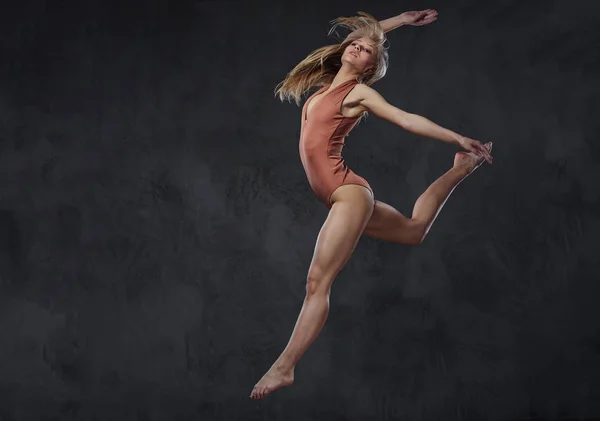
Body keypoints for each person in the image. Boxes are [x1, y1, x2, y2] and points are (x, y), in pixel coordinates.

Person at [249, 9, 493, 400]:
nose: (360, 45)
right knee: (414, 230)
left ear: (369, 68)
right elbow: (366, 33)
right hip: (340, 197)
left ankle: (285, 366)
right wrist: (403, 19)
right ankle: (460, 172)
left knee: (317, 282)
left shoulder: (357, 94)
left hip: (348, 194)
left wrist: (457, 138)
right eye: (356, 44)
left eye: (367, 51)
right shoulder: (326, 86)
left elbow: (405, 119)